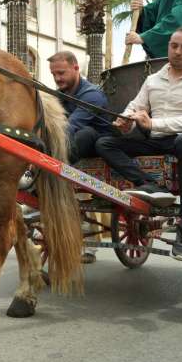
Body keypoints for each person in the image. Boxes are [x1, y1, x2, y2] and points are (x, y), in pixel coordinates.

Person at [95, 26, 182, 262]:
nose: (178, 51)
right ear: (168, 47)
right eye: (174, 46)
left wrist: (153, 124)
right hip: (159, 139)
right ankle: (149, 184)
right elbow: (135, 106)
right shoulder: (153, 80)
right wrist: (125, 121)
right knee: (105, 143)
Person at [48, 50, 111, 263]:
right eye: (54, 74)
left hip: (98, 150)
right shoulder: (59, 95)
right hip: (72, 152)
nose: (57, 78)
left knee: (85, 133)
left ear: (76, 68)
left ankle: (49, 172)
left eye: (61, 73)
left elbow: (70, 126)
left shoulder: (92, 94)